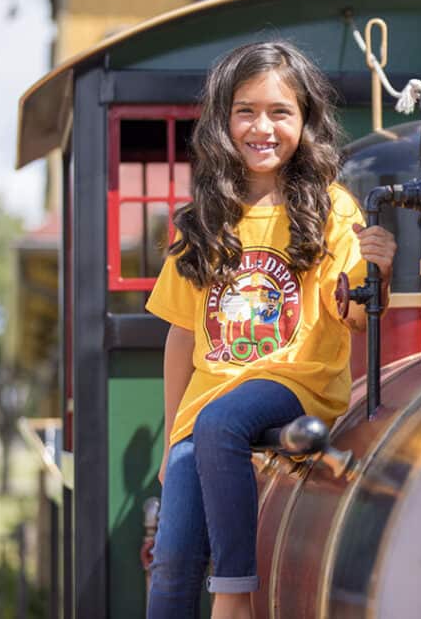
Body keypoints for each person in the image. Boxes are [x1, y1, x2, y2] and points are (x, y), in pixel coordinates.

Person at [144, 41, 396, 619]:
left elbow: (353, 313)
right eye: (246, 111)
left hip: (295, 381)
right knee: (171, 562)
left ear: (305, 122)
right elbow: (182, 336)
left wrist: (376, 271)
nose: (263, 126)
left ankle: (235, 591)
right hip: (206, 405)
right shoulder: (204, 220)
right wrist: (168, 440)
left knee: (221, 420)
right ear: (223, 121)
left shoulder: (332, 209)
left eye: (281, 112)